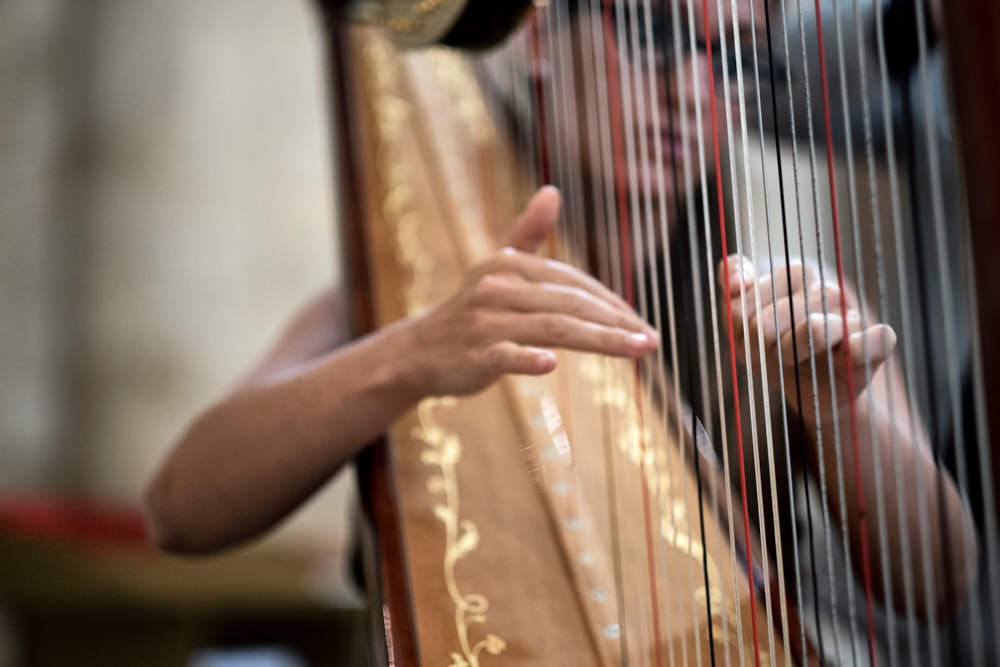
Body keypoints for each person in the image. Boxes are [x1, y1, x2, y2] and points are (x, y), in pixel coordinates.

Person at [145, 0, 977, 663]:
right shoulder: (418, 291)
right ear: (541, 35)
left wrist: (842, 418)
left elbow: (938, 582)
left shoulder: (785, 307)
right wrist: (413, 353)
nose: (692, 89)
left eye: (734, 56)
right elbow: (178, 510)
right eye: (656, 35)